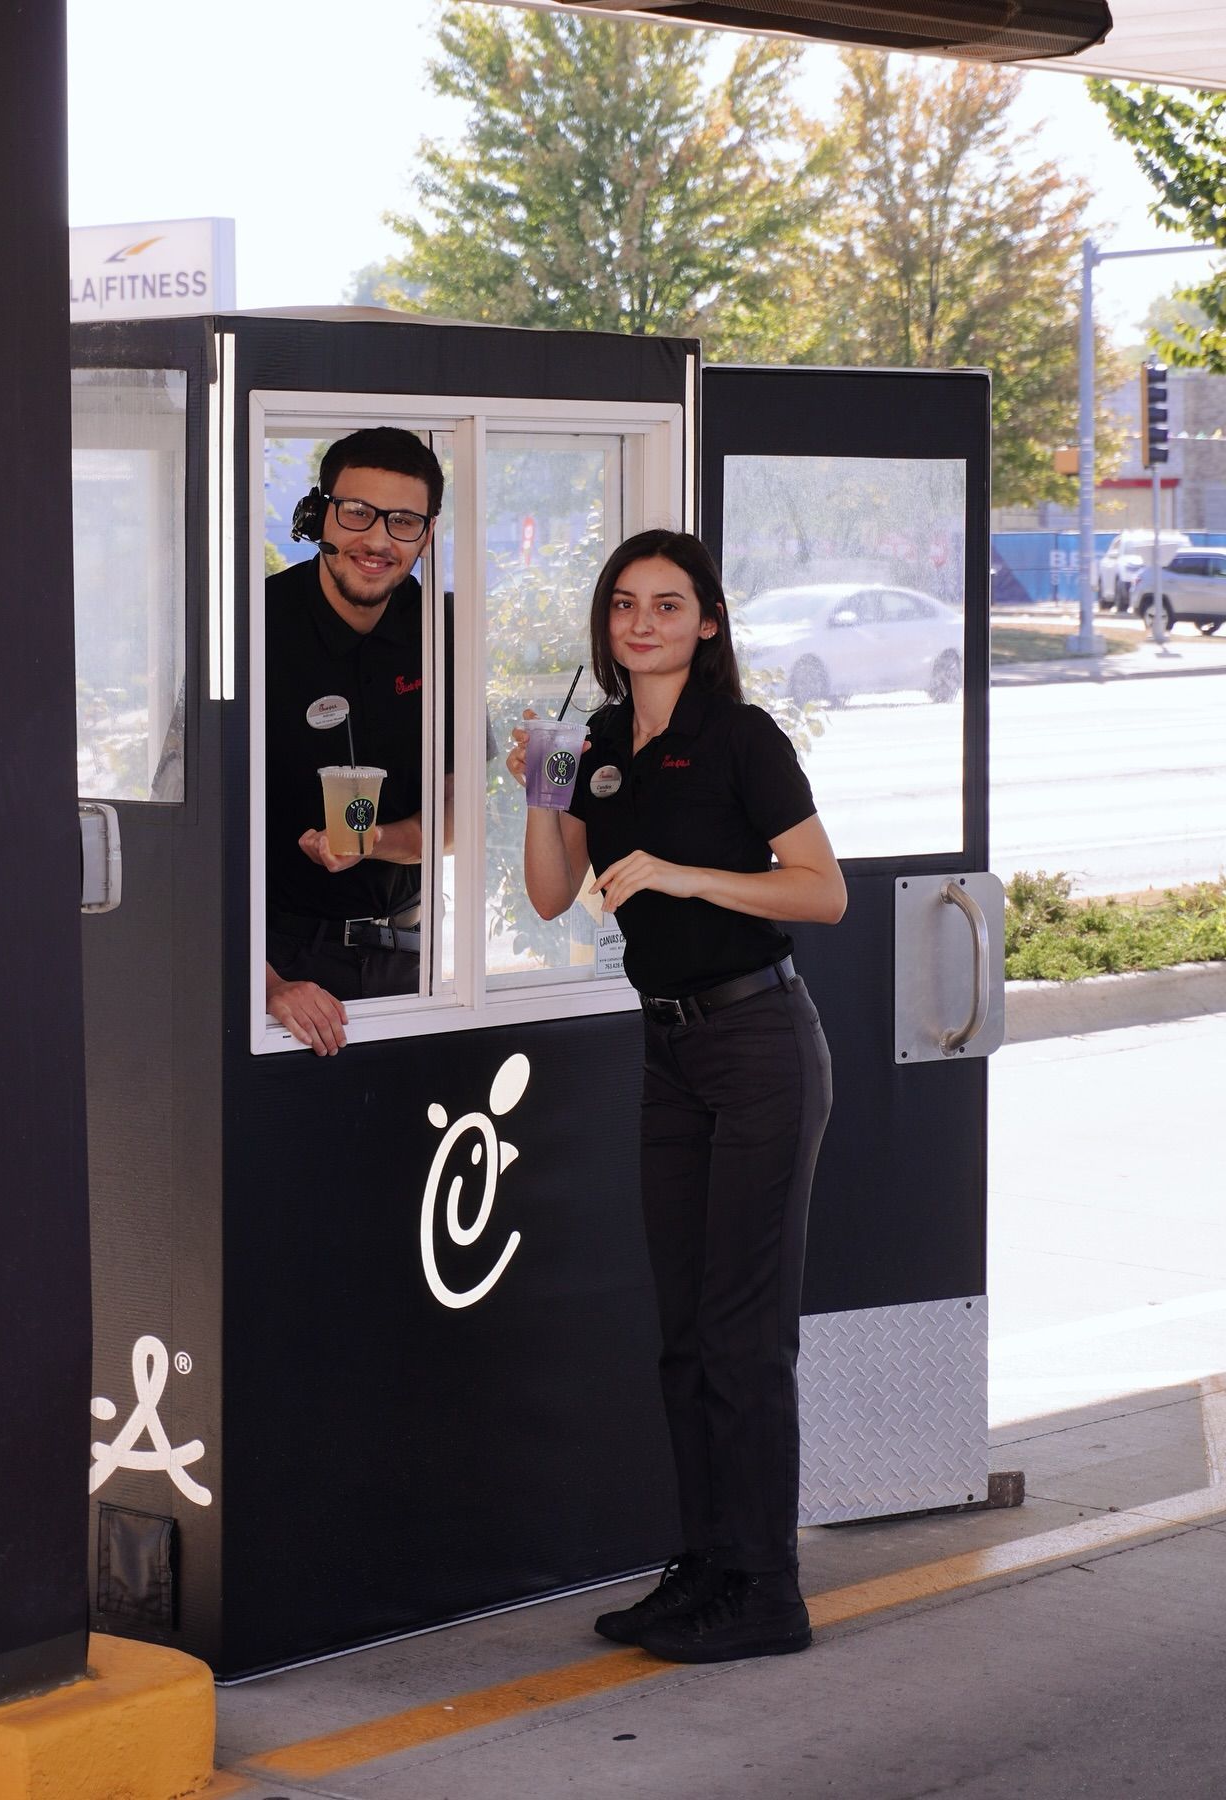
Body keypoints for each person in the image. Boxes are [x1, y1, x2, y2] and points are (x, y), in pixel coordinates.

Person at [508, 528, 845, 1664]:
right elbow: (556, 895)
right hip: (671, 1053)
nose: (640, 621)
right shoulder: (601, 743)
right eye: (623, 605)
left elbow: (824, 892)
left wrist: (678, 871)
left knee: (745, 1339)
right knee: (686, 1335)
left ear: (707, 623)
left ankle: (766, 1588)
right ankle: (705, 1566)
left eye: (667, 603)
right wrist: (544, 791)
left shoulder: (743, 737)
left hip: (759, 1042)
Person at [265, 427, 447, 1056]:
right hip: (284, 966)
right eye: (357, 512)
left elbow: (451, 821)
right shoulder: (253, 627)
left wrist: (369, 843)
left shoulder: (438, 632)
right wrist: (264, 985)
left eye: (402, 521)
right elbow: (191, 833)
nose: (376, 540)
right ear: (319, 515)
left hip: (412, 956)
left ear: (426, 536)